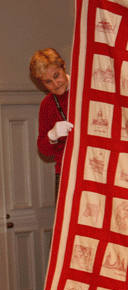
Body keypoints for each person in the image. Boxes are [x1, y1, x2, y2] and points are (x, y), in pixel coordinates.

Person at [29, 47, 73, 201]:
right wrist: (52, 136)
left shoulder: (84, 89)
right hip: (65, 171)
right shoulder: (47, 104)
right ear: (42, 83)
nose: (55, 84)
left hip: (94, 168)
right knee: (63, 224)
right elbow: (43, 148)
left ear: (64, 67)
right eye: (48, 81)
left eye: (57, 75)